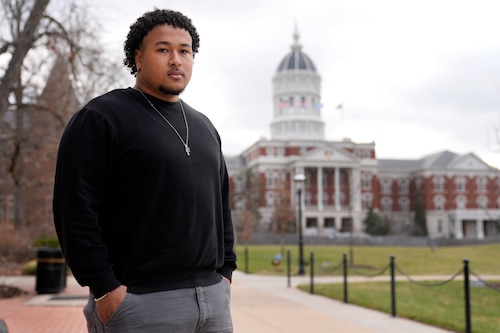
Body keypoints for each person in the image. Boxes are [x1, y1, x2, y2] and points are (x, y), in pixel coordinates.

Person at [53, 9, 237, 333]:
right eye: (163, 49)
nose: (176, 60)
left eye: (185, 51)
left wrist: (226, 274)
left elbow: (221, 206)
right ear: (138, 58)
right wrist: (106, 289)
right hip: (140, 303)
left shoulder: (205, 127)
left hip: (213, 301)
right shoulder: (102, 117)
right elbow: (75, 210)